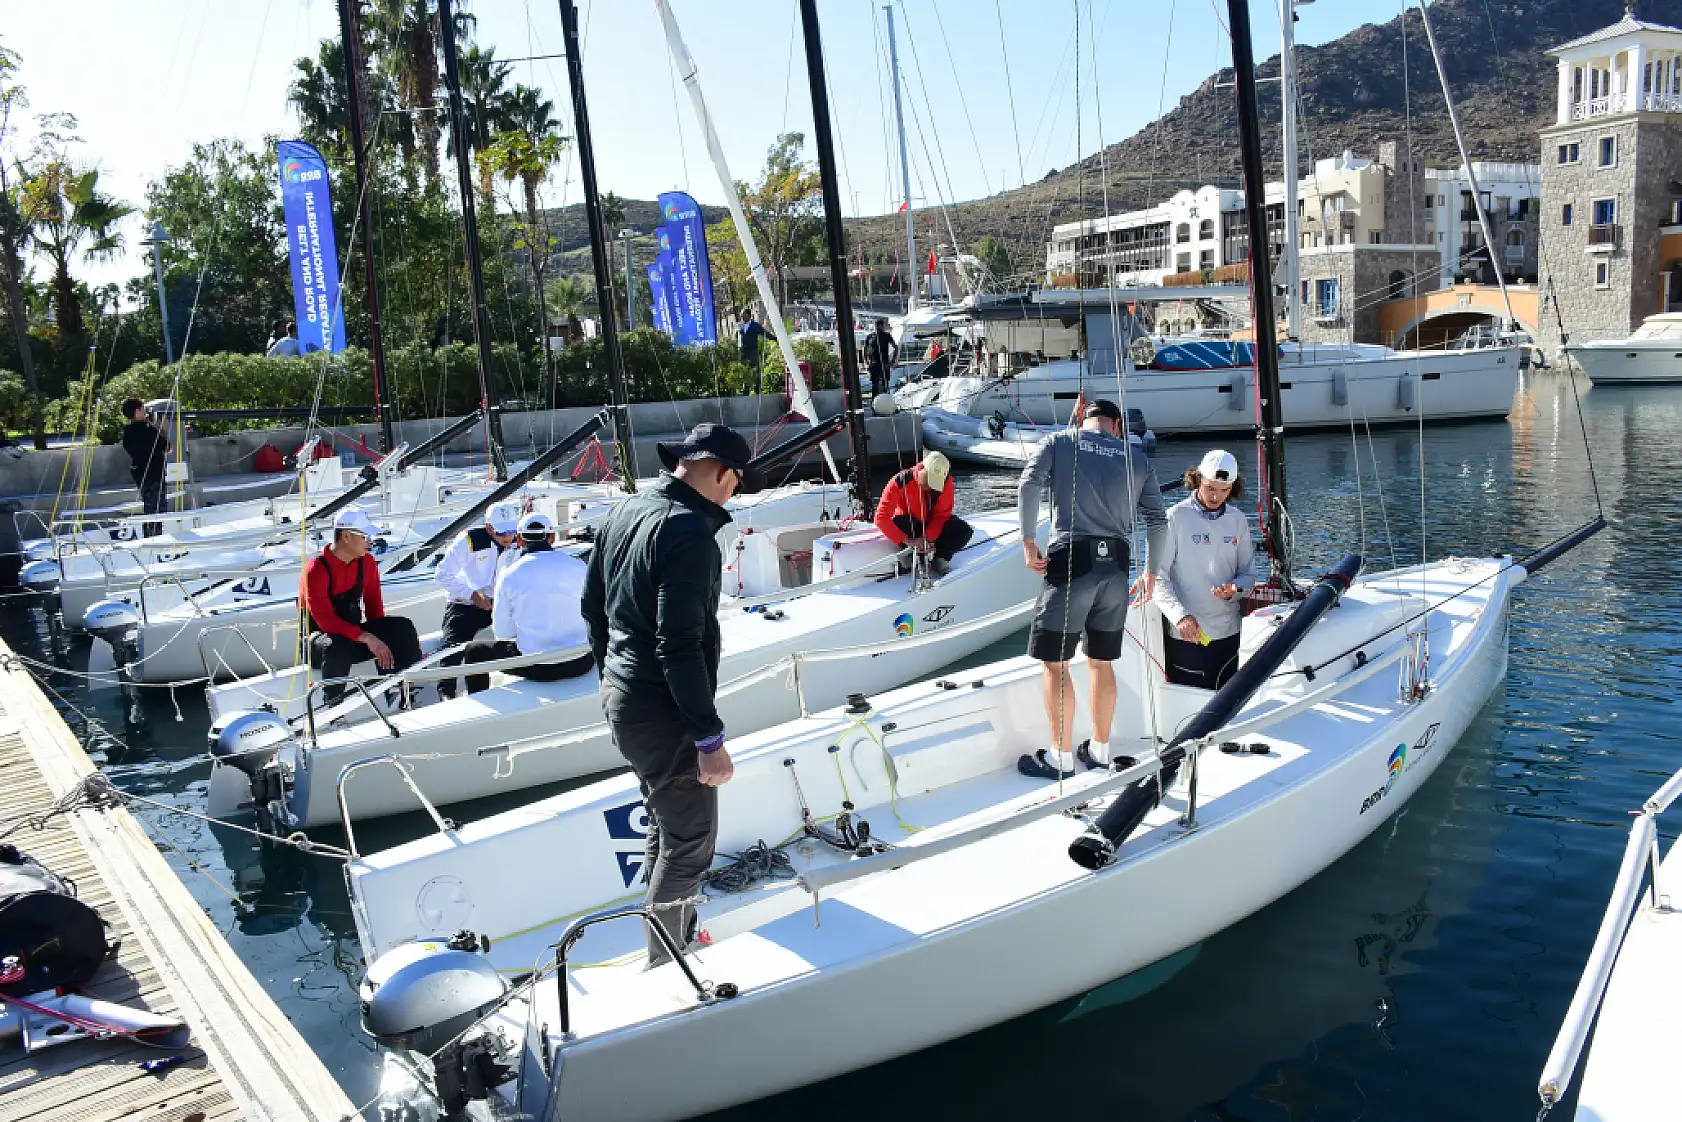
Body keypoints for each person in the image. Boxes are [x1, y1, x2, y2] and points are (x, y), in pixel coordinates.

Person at [582, 422, 749, 966]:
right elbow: (678, 643)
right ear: (724, 475)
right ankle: (666, 964)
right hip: (663, 709)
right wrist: (708, 736)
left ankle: (672, 934)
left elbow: (594, 608)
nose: (733, 493)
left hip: (625, 698)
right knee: (692, 840)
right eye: (736, 483)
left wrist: (609, 675)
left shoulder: (626, 510)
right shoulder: (689, 532)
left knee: (666, 824)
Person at [1016, 399, 1167, 779]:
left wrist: (1027, 540)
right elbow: (1157, 520)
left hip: (1072, 561)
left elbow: (1029, 483)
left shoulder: (1059, 442)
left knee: (1056, 662)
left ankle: (1061, 758)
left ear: (1085, 421)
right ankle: (1100, 751)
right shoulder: (1137, 458)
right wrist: (1150, 572)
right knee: (1101, 662)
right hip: (1116, 565)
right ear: (1116, 425)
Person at [1153, 449, 1255, 690]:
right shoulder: (1175, 518)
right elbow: (1158, 577)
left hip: (1230, 635)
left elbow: (1249, 575)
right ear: (1197, 479)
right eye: (1210, 488)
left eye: (1224, 490)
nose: (1216, 497)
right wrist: (1180, 616)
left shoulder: (1238, 519)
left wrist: (1235, 588)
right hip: (1188, 636)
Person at [300, 509, 421, 703]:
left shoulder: (367, 562)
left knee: (402, 627)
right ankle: (333, 708)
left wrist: (382, 640)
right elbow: (325, 620)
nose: (370, 541)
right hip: (319, 641)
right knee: (336, 645)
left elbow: (375, 609)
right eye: (365, 536)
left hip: (354, 637)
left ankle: (404, 689)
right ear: (346, 537)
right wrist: (367, 638)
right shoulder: (315, 570)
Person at [461, 512, 595, 687]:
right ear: (552, 537)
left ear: (520, 540)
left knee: (475, 651)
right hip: (581, 662)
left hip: (538, 667)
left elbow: (503, 632)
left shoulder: (509, 575)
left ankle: (482, 708)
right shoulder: (579, 566)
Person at [433, 503, 520, 699]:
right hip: (465, 604)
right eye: (502, 532)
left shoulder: (516, 542)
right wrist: (471, 594)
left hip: (499, 602)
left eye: (512, 531)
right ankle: (446, 694)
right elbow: (442, 574)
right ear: (489, 528)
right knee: (454, 646)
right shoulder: (470, 540)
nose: (508, 537)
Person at [873, 450, 972, 576]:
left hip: (931, 526)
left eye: (935, 482)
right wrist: (907, 540)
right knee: (900, 522)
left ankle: (940, 557)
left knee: (962, 530)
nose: (931, 486)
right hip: (911, 525)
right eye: (929, 479)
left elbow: (941, 515)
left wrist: (928, 538)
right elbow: (881, 517)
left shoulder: (946, 484)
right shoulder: (899, 482)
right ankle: (914, 555)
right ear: (922, 469)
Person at [120, 398, 170, 537]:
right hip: (154, 473)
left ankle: (149, 535)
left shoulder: (128, 432)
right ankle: (155, 538)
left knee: (149, 507)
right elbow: (168, 447)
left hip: (139, 473)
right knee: (158, 509)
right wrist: (162, 428)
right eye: (143, 409)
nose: (145, 412)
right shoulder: (148, 431)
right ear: (137, 412)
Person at [737, 308, 769, 394]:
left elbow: (765, 333)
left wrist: (776, 339)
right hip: (743, 353)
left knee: (756, 372)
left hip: (753, 352)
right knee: (744, 372)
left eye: (743, 314)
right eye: (741, 314)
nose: (741, 316)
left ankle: (757, 390)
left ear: (749, 315)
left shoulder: (755, 326)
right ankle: (745, 391)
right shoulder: (740, 325)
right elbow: (737, 338)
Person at [864, 318, 898, 397]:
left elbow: (895, 347)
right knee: (874, 385)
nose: (878, 328)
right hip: (874, 364)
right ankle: (874, 401)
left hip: (884, 364)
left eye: (880, 326)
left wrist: (892, 361)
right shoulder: (870, 336)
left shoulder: (886, 336)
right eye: (877, 326)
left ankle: (886, 400)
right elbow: (865, 349)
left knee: (885, 383)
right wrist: (866, 363)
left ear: (882, 326)